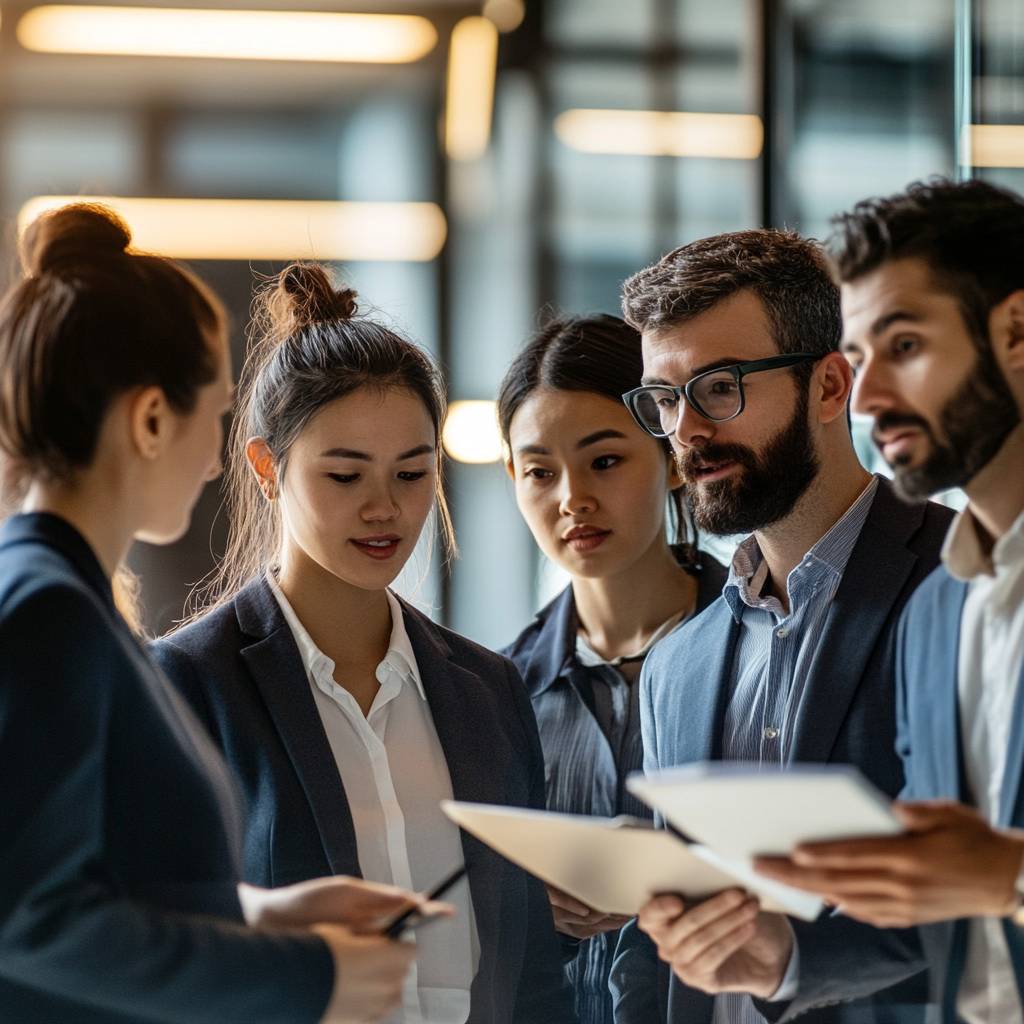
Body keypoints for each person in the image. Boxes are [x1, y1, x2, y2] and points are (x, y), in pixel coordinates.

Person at [0, 204, 426, 1023]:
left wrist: (262, 916)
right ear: (153, 418)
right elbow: (29, 917)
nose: (220, 454)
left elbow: (95, 879)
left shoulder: (68, 605)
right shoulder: (45, 610)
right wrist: (303, 977)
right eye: (221, 412)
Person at [151, 263, 576, 1024]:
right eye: (345, 476)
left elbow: (532, 974)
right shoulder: (187, 683)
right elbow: (163, 948)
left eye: (413, 473)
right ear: (265, 468)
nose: (385, 509)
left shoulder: (489, 687)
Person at [609, 229, 952, 1024]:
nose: (687, 431)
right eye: (664, 399)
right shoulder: (677, 665)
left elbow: (991, 892)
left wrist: (798, 961)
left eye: (719, 387)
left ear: (831, 386)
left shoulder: (967, 588)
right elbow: (659, 939)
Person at [753, 178, 1024, 1024]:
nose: (865, 402)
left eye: (903, 346)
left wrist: (1009, 875)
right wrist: (783, 951)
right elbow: (941, 919)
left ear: (1016, 331)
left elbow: (988, 875)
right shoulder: (935, 615)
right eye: (860, 359)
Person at [498, 313, 728, 1024]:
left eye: (604, 461)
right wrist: (527, 907)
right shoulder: (499, 692)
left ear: (668, 456)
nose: (572, 500)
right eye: (540, 472)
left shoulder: (757, 649)